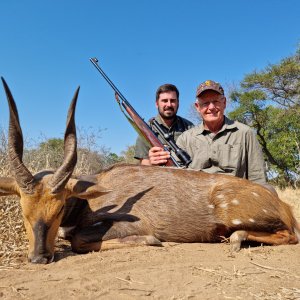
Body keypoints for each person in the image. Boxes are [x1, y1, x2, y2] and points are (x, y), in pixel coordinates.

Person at [149, 80, 269, 186]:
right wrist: (155, 163)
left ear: (224, 103)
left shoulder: (245, 133)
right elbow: (174, 178)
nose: (211, 107)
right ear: (197, 107)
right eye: (205, 103)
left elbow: (258, 179)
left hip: (236, 205)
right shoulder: (185, 139)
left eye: (216, 101)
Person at [134, 83, 194, 165]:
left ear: (178, 103)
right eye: (164, 101)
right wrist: (151, 162)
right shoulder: (146, 130)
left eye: (173, 101)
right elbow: (143, 163)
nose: (169, 105)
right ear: (157, 104)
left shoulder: (190, 127)